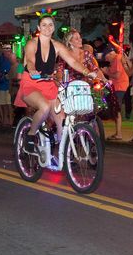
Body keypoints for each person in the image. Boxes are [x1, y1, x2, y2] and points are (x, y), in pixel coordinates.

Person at [14, 13, 98, 152]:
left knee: (61, 118)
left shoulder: (58, 46)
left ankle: (62, 152)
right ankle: (30, 134)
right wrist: (33, 69)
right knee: (45, 107)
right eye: (44, 25)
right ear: (38, 27)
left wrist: (87, 72)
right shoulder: (32, 43)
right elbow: (29, 59)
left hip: (49, 85)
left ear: (54, 28)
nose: (47, 27)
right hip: (31, 83)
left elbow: (72, 62)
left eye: (50, 24)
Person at [101, 35, 129, 141]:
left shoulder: (117, 58)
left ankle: (119, 134)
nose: (106, 59)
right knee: (115, 109)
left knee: (117, 110)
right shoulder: (114, 60)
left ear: (110, 53)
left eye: (107, 57)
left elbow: (117, 75)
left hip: (120, 86)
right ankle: (117, 132)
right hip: (118, 86)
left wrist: (106, 72)